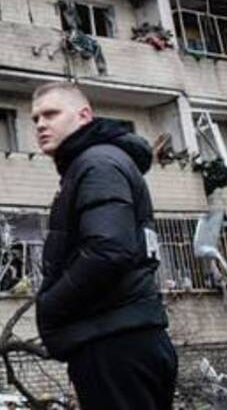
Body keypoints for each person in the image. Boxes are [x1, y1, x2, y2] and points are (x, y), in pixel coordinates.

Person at [31, 81, 177, 410]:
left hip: (113, 344)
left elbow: (109, 250)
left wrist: (50, 305)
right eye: (35, 118)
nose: (41, 124)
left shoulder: (96, 165)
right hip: (124, 337)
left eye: (51, 114)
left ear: (84, 116)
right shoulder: (95, 164)